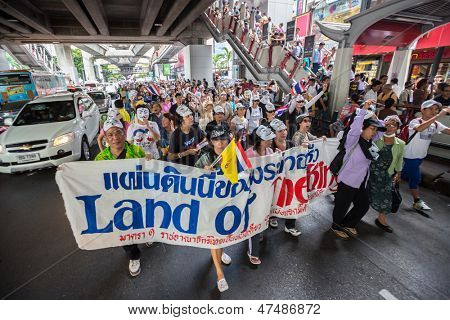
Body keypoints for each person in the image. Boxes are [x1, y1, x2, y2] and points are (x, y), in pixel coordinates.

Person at [95, 119, 150, 277]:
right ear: (105, 138)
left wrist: (150, 162)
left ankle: (147, 235)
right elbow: (92, 180)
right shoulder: (101, 159)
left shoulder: (136, 151)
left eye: (118, 133)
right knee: (123, 230)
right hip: (116, 203)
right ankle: (134, 256)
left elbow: (149, 172)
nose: (115, 137)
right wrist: (67, 172)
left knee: (142, 222)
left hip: (138, 198)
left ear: (124, 134)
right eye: (110, 134)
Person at [331, 100, 386, 239]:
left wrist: (375, 116)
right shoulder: (353, 140)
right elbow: (355, 128)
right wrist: (363, 110)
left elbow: (382, 129)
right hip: (348, 180)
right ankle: (336, 226)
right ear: (364, 127)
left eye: (375, 130)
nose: (374, 132)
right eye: (372, 129)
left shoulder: (370, 142)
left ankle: (348, 223)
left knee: (363, 205)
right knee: (342, 206)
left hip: (362, 181)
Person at [195, 125, 233, 292]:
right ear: (211, 141)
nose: (220, 142)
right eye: (216, 139)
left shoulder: (233, 155)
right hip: (210, 204)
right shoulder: (205, 158)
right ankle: (219, 273)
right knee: (214, 238)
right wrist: (203, 172)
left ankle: (220, 253)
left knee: (222, 234)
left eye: (223, 138)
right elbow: (191, 176)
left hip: (227, 202)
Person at [401, 100, 450, 211]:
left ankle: (385, 184)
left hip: (419, 157)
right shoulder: (415, 121)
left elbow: (448, 130)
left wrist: (436, 118)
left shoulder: (435, 124)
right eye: (431, 108)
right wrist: (438, 115)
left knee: (402, 175)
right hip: (409, 156)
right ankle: (417, 201)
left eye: (436, 109)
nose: (434, 111)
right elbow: (420, 128)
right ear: (422, 110)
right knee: (415, 178)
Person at [245, 125, 276, 264]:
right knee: (254, 220)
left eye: (270, 139)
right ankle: (252, 252)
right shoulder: (249, 154)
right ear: (259, 140)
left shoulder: (270, 151)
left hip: (266, 192)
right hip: (253, 194)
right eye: (267, 139)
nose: (270, 141)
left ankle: (259, 232)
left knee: (263, 216)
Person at [369, 115, 405, 233]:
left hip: (386, 174)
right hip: (370, 172)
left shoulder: (401, 143)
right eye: (387, 124)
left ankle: (381, 220)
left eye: (393, 125)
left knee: (386, 198)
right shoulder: (375, 138)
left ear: (397, 128)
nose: (390, 127)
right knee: (364, 195)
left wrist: (398, 173)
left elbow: (399, 159)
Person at [268, 119, 301, 235]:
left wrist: (307, 147)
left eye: (285, 130)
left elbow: (299, 156)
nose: (284, 132)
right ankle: (273, 216)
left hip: (289, 178)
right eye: (280, 130)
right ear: (273, 133)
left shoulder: (291, 144)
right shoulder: (269, 147)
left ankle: (290, 225)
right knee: (273, 198)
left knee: (292, 199)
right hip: (274, 181)